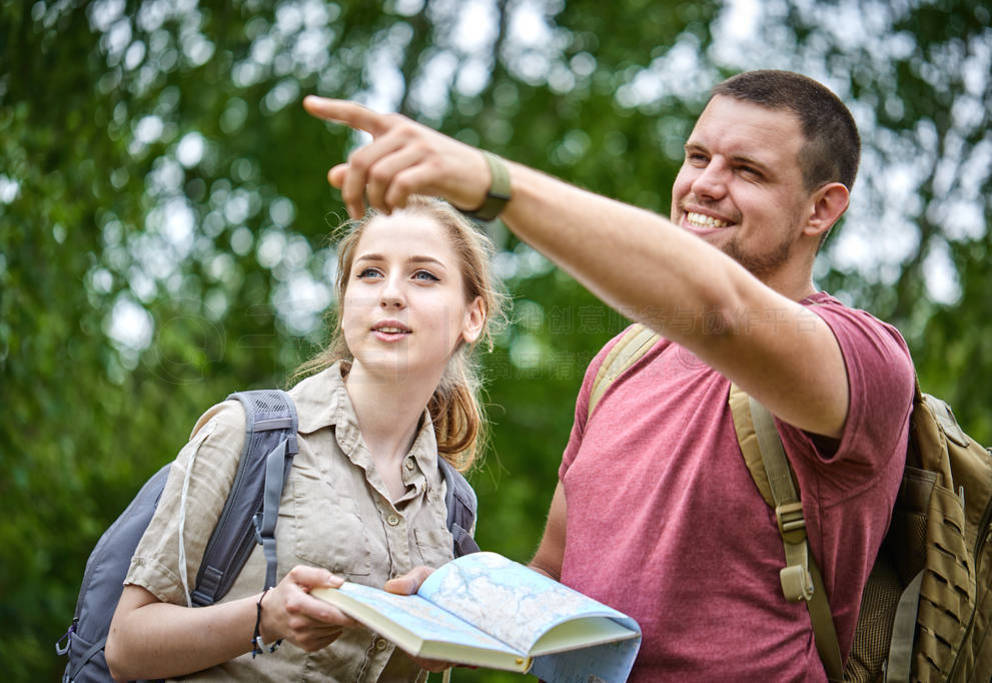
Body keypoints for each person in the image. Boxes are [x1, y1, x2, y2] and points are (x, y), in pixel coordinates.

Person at [303, 70, 915, 680]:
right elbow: (551, 577)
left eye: (746, 171)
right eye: (697, 157)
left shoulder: (866, 360)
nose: (704, 185)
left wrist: (495, 183)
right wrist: (454, 603)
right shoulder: (622, 361)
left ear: (821, 207)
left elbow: (720, 311)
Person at [104, 195, 504, 681]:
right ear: (344, 307)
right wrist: (264, 618)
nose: (391, 294)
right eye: (370, 273)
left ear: (473, 317)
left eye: (424, 275)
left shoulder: (452, 508)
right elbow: (126, 647)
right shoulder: (247, 433)